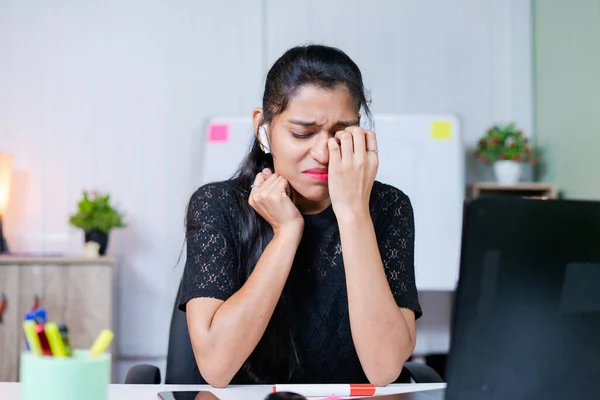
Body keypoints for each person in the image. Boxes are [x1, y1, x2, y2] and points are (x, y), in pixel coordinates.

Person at [177, 44, 422, 388]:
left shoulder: (389, 207)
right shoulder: (217, 205)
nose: (323, 153)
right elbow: (217, 367)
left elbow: (384, 369)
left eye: (341, 133)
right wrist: (287, 232)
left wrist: (353, 214)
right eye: (302, 133)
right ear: (263, 129)